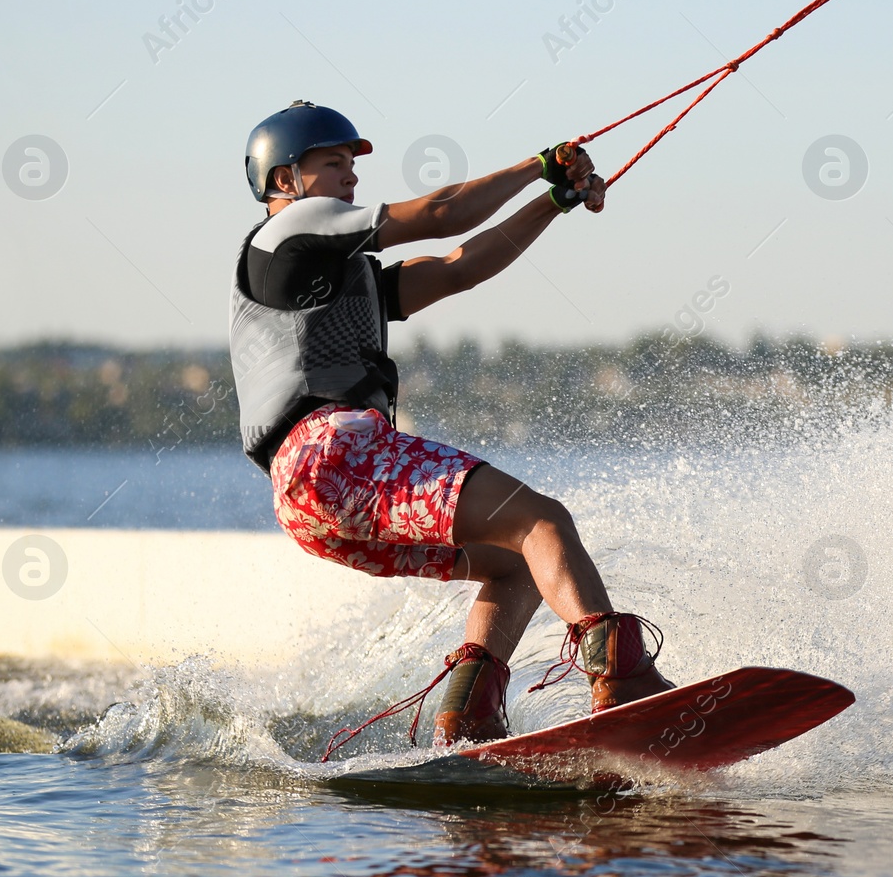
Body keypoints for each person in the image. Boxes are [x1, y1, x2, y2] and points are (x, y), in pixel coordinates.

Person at [229, 100, 673, 747]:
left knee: (517, 562)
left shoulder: (339, 273)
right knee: (543, 520)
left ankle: (468, 712)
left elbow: (462, 266)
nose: (351, 177)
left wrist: (555, 199)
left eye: (353, 164)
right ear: (283, 181)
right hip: (333, 454)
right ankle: (622, 676)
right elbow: (442, 216)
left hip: (307, 502)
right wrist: (536, 164)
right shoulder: (293, 232)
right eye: (333, 164)